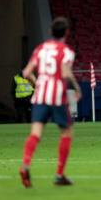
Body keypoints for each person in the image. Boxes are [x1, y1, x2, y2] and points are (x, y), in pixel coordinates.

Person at [19, 17, 82, 188]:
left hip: (40, 96)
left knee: (36, 133)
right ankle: (59, 175)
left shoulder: (40, 49)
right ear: (66, 33)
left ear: (50, 32)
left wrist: (38, 82)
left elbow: (26, 72)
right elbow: (65, 72)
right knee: (67, 133)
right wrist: (77, 88)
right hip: (57, 97)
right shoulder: (66, 50)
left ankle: (25, 164)